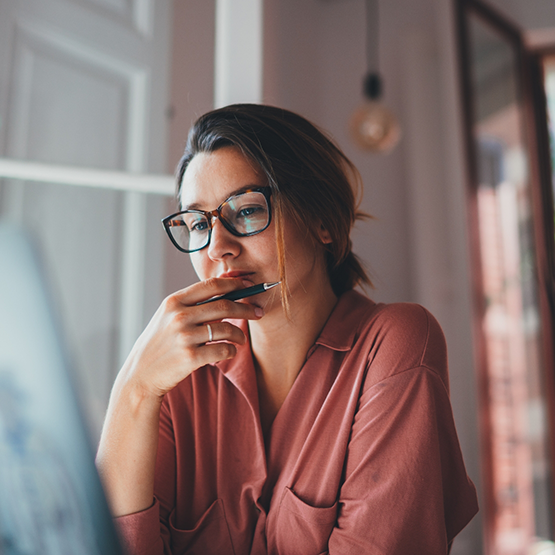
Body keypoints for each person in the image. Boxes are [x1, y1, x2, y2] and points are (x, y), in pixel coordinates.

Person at [96, 104, 478, 555]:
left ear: (321, 220)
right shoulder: (177, 378)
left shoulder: (393, 344)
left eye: (248, 211)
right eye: (199, 222)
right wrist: (135, 388)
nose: (218, 246)